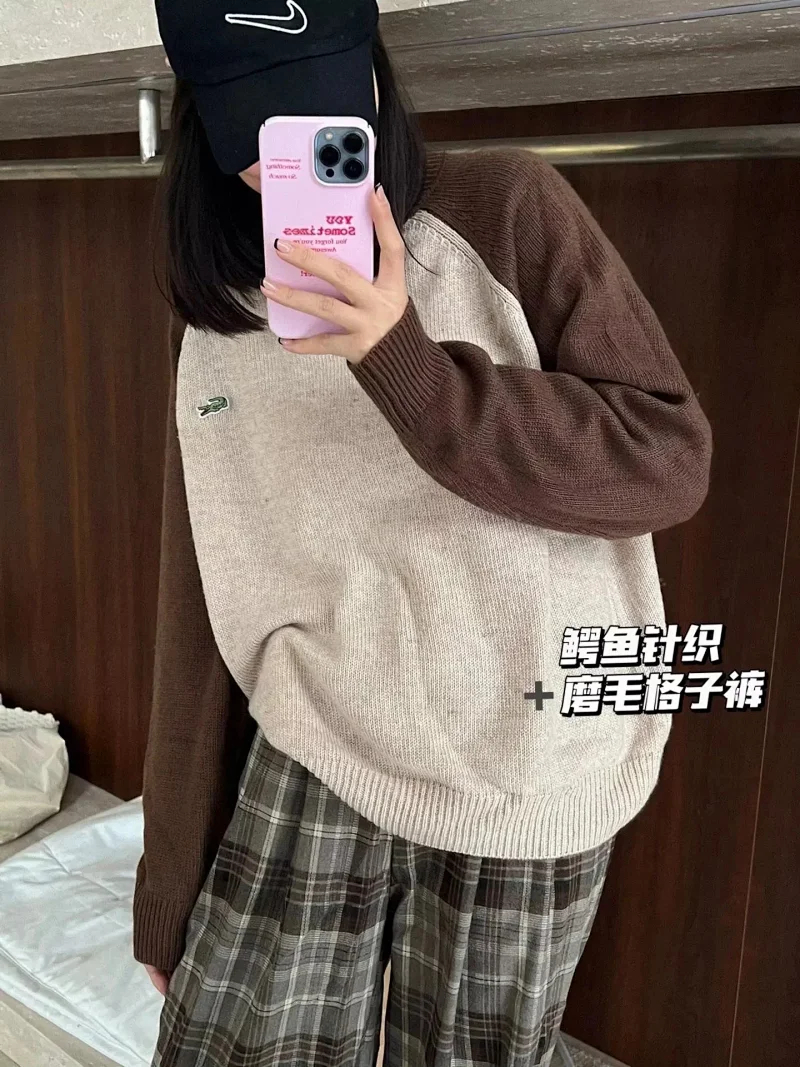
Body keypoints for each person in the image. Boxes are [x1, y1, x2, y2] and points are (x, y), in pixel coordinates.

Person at [135, 1, 713, 1064]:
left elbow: (667, 460)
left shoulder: (506, 208)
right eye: (264, 128)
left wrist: (404, 359)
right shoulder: (217, 310)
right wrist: (170, 875)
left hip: (528, 755)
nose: (304, 157)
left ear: (371, 80)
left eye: (323, 111)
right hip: (316, 741)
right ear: (204, 127)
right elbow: (204, 586)